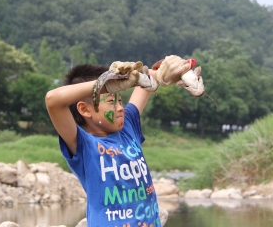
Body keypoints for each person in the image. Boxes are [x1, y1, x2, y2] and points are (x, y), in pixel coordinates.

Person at [45, 56, 202, 227]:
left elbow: (151, 76)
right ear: (84, 109)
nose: (120, 107)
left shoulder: (127, 127)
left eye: (120, 100)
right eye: (112, 101)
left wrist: (175, 69)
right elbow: (53, 100)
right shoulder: (84, 146)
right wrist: (106, 83)